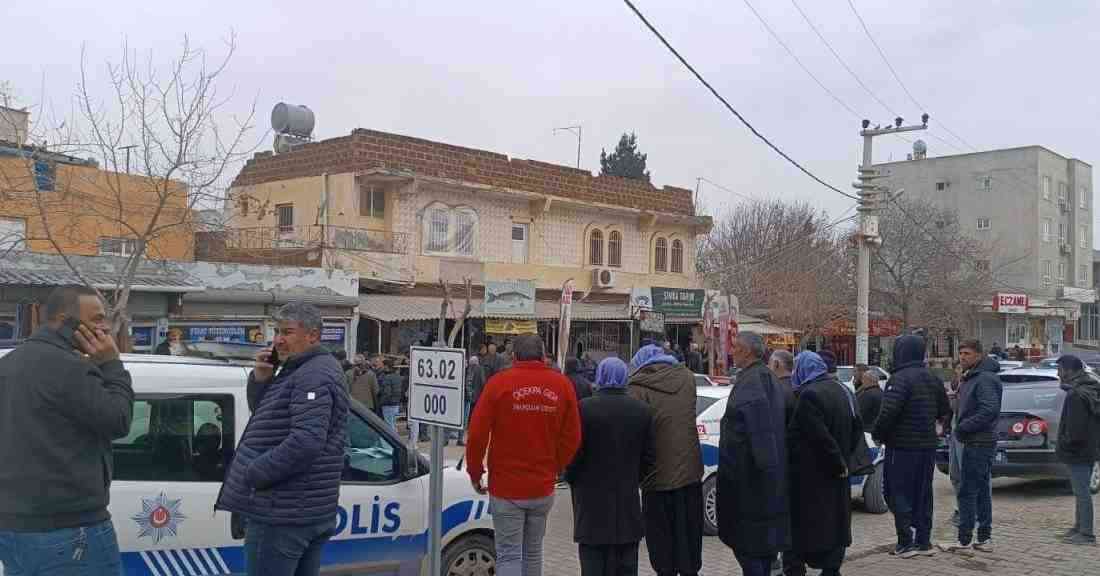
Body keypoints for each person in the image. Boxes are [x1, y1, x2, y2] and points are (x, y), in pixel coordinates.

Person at [0, 286, 134, 575]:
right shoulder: (68, 367)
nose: (106, 328)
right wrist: (111, 365)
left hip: (13, 528)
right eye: (97, 319)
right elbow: (118, 420)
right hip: (71, 529)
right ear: (65, 321)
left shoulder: (8, 364)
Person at [216, 302, 348, 576]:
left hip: (282, 513)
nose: (278, 340)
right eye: (277, 331)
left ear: (312, 335)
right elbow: (267, 420)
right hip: (300, 510)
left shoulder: (312, 374)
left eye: (287, 332)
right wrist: (262, 379)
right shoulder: (299, 369)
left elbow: (306, 441)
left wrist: (255, 472)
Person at [466, 335, 581, 576]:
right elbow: (572, 437)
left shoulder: (499, 383)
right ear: (543, 355)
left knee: (509, 555)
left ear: (514, 356)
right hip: (542, 487)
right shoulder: (561, 385)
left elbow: (476, 434)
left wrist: (475, 473)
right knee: (532, 553)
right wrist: (556, 466)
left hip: (506, 487)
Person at [566, 357, 655, 576]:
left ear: (600, 376)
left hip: (591, 504)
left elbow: (573, 453)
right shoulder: (641, 411)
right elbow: (650, 457)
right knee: (626, 565)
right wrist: (635, 478)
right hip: (626, 505)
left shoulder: (585, 409)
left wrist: (572, 478)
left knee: (593, 565)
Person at [717, 333, 790, 576]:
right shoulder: (766, 378)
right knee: (760, 551)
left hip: (750, 486)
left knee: (750, 551)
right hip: (763, 486)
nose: (731, 351)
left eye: (735, 347)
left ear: (747, 352)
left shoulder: (753, 383)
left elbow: (759, 435)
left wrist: (756, 474)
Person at [628, 344, 703, 576]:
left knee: (662, 548)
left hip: (656, 478)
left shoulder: (636, 389)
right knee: (688, 538)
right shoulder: (688, 379)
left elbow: (637, 434)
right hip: (690, 475)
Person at [873, 335, 951, 557]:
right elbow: (944, 410)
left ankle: (905, 542)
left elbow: (888, 412)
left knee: (897, 492)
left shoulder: (899, 379)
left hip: (901, 447)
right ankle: (923, 541)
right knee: (923, 493)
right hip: (926, 447)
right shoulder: (932, 378)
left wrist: (879, 435)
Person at [786, 351, 861, 576]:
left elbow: (818, 436)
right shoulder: (843, 390)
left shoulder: (809, 395)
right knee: (836, 522)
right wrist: (844, 459)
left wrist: (836, 461)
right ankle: (831, 567)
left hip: (814, 476)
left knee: (809, 527)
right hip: (839, 473)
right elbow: (857, 427)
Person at [941, 340, 1002, 553]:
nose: (962, 357)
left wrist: (963, 428)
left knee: (967, 491)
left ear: (979, 355)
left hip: (977, 442)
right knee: (980, 490)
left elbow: (989, 410)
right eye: (960, 353)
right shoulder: (971, 377)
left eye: (967, 353)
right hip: (974, 440)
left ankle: (964, 541)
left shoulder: (984, 378)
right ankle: (984, 539)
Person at [1055, 355, 1100, 545]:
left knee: (1081, 492)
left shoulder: (1076, 394)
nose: (1058, 374)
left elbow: (1075, 429)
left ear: (1068, 371)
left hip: (1078, 451)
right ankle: (1078, 527)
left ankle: (1086, 533)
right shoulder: (1089, 388)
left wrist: (1065, 443)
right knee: (1080, 491)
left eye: (1060, 370)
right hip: (1089, 448)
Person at [769, 349, 796, 422]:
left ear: (776, 364)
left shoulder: (773, 391)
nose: (768, 368)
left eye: (769, 364)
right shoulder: (800, 387)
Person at [378, 358, 404, 431]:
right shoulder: (398, 376)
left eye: (382, 366)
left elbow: (387, 393)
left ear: (386, 366)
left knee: (389, 425)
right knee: (393, 424)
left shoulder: (387, 378)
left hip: (388, 404)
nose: (381, 367)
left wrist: (381, 402)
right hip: (396, 403)